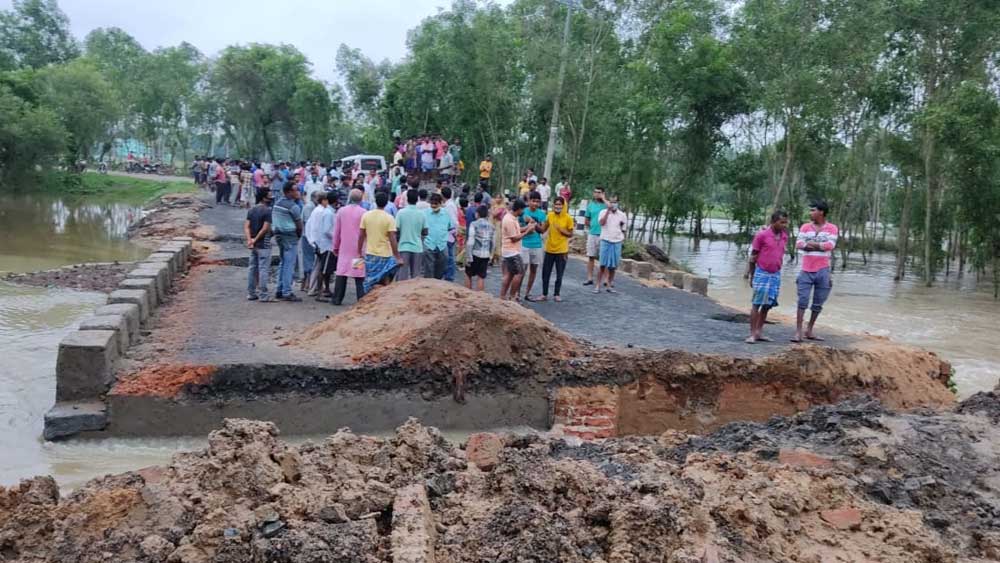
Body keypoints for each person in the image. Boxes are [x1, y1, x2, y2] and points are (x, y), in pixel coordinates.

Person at [793, 200, 839, 343]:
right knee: (802, 301)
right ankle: (798, 331)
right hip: (806, 269)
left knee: (818, 302)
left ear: (821, 212)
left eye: (813, 210)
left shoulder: (832, 228)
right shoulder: (805, 227)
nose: (810, 213)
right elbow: (799, 244)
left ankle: (810, 330)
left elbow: (830, 246)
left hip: (823, 269)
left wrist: (811, 244)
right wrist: (819, 245)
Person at [745, 210, 790, 343]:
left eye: (785, 222)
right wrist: (752, 275)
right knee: (757, 303)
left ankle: (759, 332)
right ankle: (752, 333)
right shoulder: (762, 235)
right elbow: (753, 257)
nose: (784, 225)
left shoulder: (784, 236)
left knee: (768, 304)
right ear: (773, 222)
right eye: (781, 222)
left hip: (775, 273)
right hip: (762, 272)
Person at [359, 191, 403, 294]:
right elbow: (392, 238)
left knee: (370, 279)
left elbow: (361, 235)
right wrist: (397, 256)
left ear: (375, 201)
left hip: (370, 253)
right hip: (385, 254)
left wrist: (359, 251)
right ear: (386, 203)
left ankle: (368, 299)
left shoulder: (366, 216)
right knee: (385, 279)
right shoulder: (389, 218)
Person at [331, 189, 368, 306]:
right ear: (361, 199)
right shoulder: (364, 212)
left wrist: (335, 246)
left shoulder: (341, 211)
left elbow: (337, 231)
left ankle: (337, 299)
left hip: (344, 247)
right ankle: (361, 300)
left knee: (341, 273)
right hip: (358, 248)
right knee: (358, 275)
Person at [271, 182, 304, 301]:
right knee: (289, 265)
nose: (297, 192)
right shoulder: (293, 206)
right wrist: (299, 235)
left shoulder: (278, 203)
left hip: (279, 235)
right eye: (295, 190)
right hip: (290, 236)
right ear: (289, 192)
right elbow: (299, 224)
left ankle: (279, 289)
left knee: (283, 263)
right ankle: (287, 291)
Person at [538, 196, 574, 302]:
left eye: (560, 204)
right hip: (549, 249)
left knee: (559, 274)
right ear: (553, 205)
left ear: (563, 206)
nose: (558, 206)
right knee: (545, 273)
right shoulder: (549, 215)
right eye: (556, 204)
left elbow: (570, 234)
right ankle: (544, 294)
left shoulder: (568, 218)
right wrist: (534, 224)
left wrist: (562, 230)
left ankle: (557, 294)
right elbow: (543, 229)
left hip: (562, 250)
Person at [499, 199, 536, 301]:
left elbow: (517, 230)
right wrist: (527, 231)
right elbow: (514, 238)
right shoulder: (510, 220)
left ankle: (503, 296)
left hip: (509, 251)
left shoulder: (512, 218)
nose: (523, 212)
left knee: (509, 274)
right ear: (519, 209)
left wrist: (527, 227)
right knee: (519, 273)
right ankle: (511, 296)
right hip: (512, 251)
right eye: (522, 209)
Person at [305, 191, 336, 300]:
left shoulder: (318, 211)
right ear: (323, 200)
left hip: (319, 243)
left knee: (320, 268)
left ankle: (317, 289)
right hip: (324, 244)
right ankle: (318, 292)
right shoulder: (324, 212)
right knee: (322, 269)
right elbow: (324, 230)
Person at [244, 189, 273, 302]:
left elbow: (246, 226)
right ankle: (263, 294)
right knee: (263, 269)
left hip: (254, 244)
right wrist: (256, 239)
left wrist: (250, 240)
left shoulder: (252, 210)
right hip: (263, 244)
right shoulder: (267, 211)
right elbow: (266, 228)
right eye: (269, 196)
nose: (271, 198)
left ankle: (251, 293)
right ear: (264, 198)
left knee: (252, 268)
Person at [594, 195, 626, 294]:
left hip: (617, 241)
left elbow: (623, 229)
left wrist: (621, 239)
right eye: (611, 202)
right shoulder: (603, 212)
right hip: (605, 240)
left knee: (613, 266)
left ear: (618, 203)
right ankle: (598, 285)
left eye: (615, 202)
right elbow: (602, 223)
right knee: (602, 264)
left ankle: (609, 285)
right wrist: (608, 211)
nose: (613, 204)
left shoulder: (622, 215)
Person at [519, 191, 548, 301]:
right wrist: (527, 227)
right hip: (524, 244)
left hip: (537, 245)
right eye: (533, 201)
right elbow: (517, 227)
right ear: (529, 201)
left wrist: (534, 223)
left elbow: (543, 230)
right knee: (522, 270)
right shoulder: (523, 212)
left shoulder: (541, 214)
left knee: (534, 269)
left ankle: (527, 293)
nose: (535, 203)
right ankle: (517, 293)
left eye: (537, 201)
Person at [395, 189, 427, 281]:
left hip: (403, 246)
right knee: (416, 276)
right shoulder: (421, 214)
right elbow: (425, 231)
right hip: (417, 247)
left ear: (407, 199)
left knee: (402, 276)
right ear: (417, 199)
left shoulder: (401, 213)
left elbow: (396, 230)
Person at [422, 193, 453, 280]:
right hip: (429, 244)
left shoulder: (446, 214)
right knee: (428, 270)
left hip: (442, 244)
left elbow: (450, 227)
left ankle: (438, 284)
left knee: (442, 267)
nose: (434, 205)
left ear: (440, 203)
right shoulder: (424, 213)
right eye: (432, 204)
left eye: (436, 204)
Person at [465, 204, 494, 291]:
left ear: (477, 214)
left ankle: (467, 296)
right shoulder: (492, 226)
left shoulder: (473, 224)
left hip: (474, 253)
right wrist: (491, 255)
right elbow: (493, 242)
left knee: (468, 274)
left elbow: (471, 241)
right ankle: (480, 299)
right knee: (481, 277)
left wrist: (468, 256)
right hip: (485, 254)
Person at [583, 187, 607, 286]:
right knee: (591, 256)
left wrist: (604, 199)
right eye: (595, 192)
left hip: (604, 234)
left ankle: (605, 280)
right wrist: (592, 226)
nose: (597, 194)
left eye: (599, 192)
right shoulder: (591, 205)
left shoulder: (606, 205)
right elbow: (586, 219)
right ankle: (589, 278)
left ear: (603, 193)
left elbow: (612, 210)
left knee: (604, 258)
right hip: (592, 233)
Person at [442, 186, 460, 281]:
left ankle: (449, 276)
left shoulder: (449, 206)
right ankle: (447, 274)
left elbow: (453, 221)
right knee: (448, 256)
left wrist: (453, 232)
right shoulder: (450, 204)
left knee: (449, 256)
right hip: (449, 233)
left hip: (449, 234)